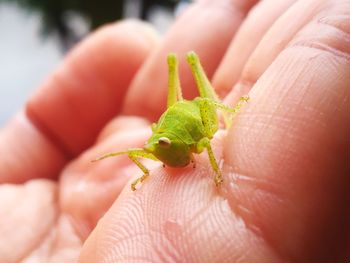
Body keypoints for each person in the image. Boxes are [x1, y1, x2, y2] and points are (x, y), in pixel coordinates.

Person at [1, 0, 349, 262]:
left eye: (160, 148)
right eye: (155, 150)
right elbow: (149, 147)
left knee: (207, 106)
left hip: (198, 115)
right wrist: (143, 171)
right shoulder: (154, 149)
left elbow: (208, 143)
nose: (154, 156)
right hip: (171, 125)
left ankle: (227, 106)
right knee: (161, 108)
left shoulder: (196, 143)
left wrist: (217, 167)